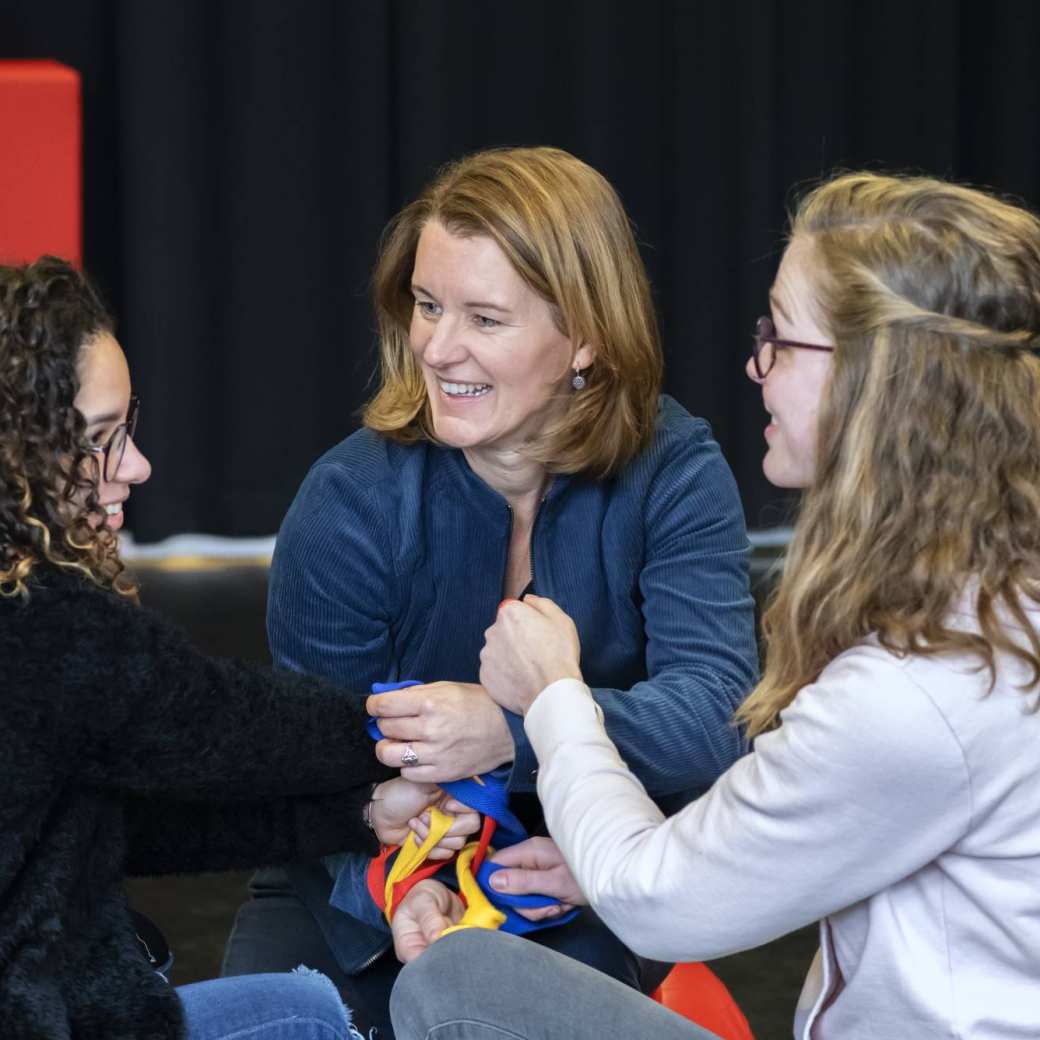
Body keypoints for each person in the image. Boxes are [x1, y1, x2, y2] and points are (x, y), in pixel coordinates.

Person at [389, 171, 1040, 1040]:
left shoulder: (920, 686)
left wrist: (550, 697)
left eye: (780, 337)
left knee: (458, 984)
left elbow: (660, 908)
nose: (754, 364)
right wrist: (629, 857)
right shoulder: (986, 605)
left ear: (879, 381)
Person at [221, 145, 759, 1036]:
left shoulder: (675, 467)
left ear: (585, 336)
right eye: (429, 306)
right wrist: (395, 891)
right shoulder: (349, 499)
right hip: (349, 870)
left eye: (485, 318)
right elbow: (302, 763)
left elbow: (719, 718)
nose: (437, 347)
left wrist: (507, 733)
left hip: (574, 870)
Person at [0, 256, 478, 1040]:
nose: (137, 466)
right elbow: (233, 727)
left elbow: (120, 826)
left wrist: (362, 812)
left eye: (129, 428)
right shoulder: (44, 628)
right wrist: (427, 732)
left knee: (308, 1011)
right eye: (99, 441)